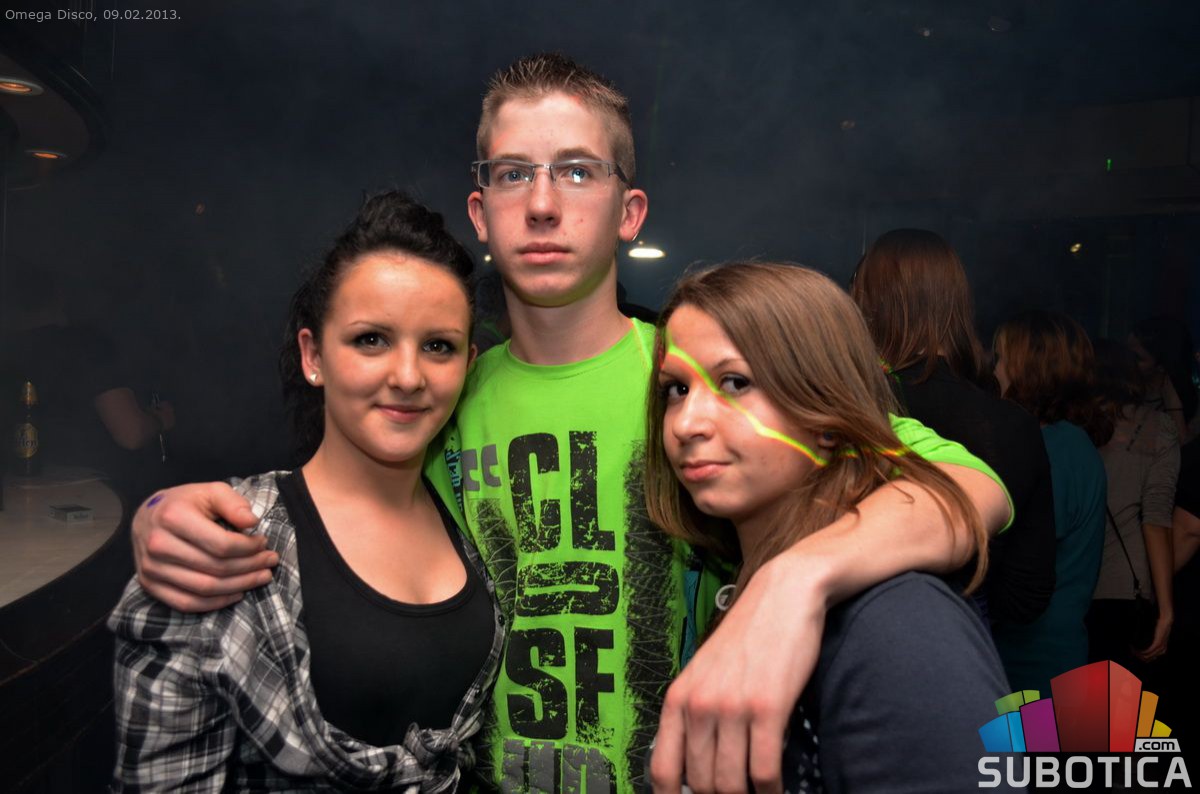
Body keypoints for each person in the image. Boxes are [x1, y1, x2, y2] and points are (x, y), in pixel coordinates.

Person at [126, 54, 1011, 793]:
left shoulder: (695, 379)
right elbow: (336, 503)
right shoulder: (440, 391)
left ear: (629, 212)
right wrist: (162, 514)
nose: (544, 204)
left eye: (578, 170)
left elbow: (974, 488)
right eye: (514, 173)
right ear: (482, 212)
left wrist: (796, 581)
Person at [108, 192, 504, 791]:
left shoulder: (471, 509)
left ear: (468, 366)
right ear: (313, 354)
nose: (407, 376)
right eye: (371, 339)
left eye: (437, 346)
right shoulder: (220, 546)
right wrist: (157, 507)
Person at [646, 262, 1013, 792]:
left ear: (825, 417)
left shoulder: (897, 623)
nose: (686, 424)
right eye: (677, 389)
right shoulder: (728, 574)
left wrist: (794, 579)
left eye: (736, 382)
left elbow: (975, 488)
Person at [850, 228, 1056, 627]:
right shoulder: (1012, 424)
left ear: (870, 306)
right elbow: (1027, 595)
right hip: (966, 642)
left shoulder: (852, 408)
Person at [991, 311, 1110, 695]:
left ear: (1030, 369)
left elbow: (1015, 547)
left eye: (1002, 358)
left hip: (1036, 663)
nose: (995, 370)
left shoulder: (1057, 448)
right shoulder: (1063, 441)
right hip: (1039, 656)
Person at [1088, 339, 1179, 674]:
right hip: (1125, 586)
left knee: (1062, 702)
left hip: (1070, 585)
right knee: (1113, 702)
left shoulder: (1064, 425)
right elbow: (1155, 517)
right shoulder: (1157, 427)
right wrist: (1166, 609)